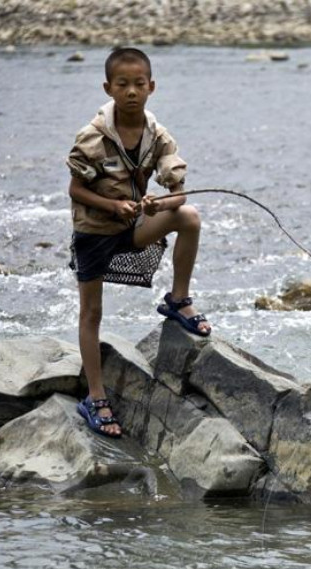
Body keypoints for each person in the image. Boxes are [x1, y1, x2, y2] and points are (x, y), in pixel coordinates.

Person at [66, 47, 211, 438]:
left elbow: (178, 195)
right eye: (122, 84)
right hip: (94, 233)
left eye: (139, 84)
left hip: (132, 227)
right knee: (91, 314)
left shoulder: (157, 136)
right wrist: (113, 205)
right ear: (108, 88)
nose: (131, 91)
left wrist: (156, 202)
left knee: (189, 217)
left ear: (152, 87)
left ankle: (178, 300)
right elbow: (76, 189)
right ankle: (95, 397)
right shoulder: (92, 137)